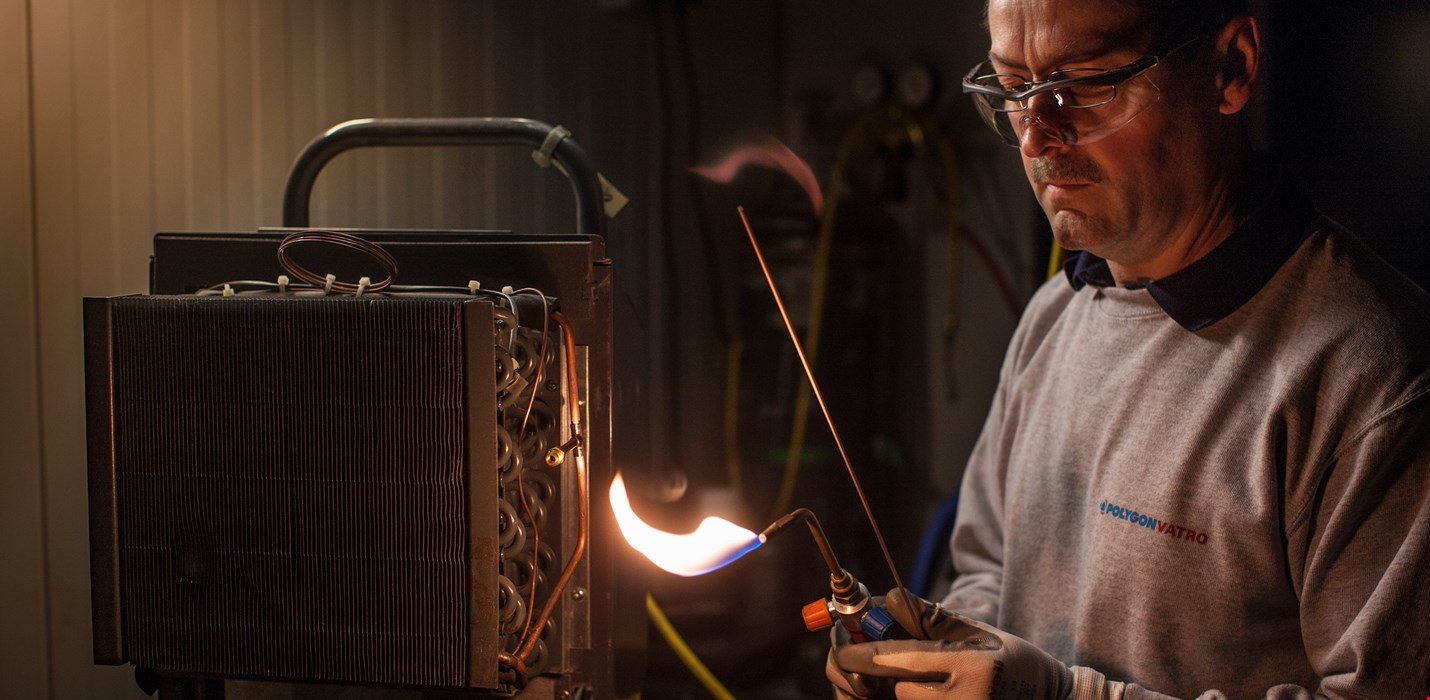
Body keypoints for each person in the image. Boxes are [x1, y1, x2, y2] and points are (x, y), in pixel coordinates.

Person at [826, 0, 1430, 697]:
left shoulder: (1373, 376)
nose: (1036, 137)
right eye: (1012, 89)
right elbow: (989, 573)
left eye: (1083, 84)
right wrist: (931, 660)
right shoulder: (1057, 316)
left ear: (1230, 68)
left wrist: (1056, 696)